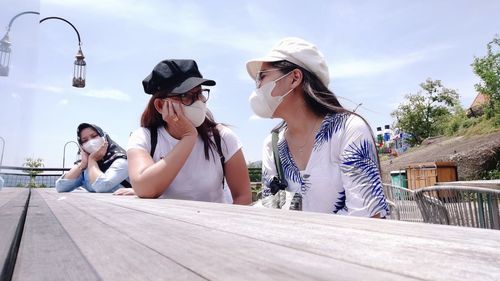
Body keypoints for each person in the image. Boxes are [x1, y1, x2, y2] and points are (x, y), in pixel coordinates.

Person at [246, 37, 389, 217]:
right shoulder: (271, 144)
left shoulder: (348, 130)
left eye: (262, 76)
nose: (257, 87)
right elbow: (270, 213)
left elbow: (370, 217)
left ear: (294, 78)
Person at [126, 59, 252, 204]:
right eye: (185, 95)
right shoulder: (144, 137)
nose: (198, 101)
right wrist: (188, 137)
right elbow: (145, 188)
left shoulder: (222, 137)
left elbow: (243, 196)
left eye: (199, 93)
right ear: (160, 105)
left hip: (215, 223)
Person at [55, 123, 131, 193]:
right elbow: (61, 187)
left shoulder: (121, 160)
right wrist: (82, 165)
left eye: (94, 136)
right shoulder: (86, 164)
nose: (91, 142)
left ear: (104, 138)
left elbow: (102, 186)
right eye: (85, 140)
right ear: (82, 146)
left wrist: (92, 160)